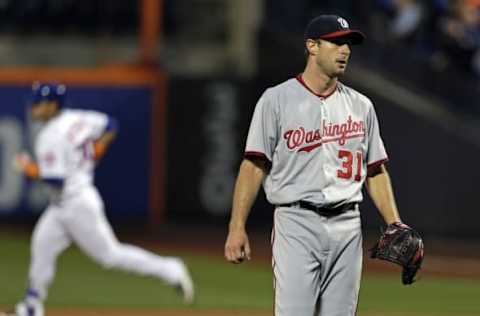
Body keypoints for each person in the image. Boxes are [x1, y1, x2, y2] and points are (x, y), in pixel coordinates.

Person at [224, 15, 409, 316]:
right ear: (312, 46)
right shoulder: (276, 100)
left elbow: (375, 170)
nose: (345, 50)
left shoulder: (361, 106)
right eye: (336, 42)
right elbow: (253, 165)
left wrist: (394, 222)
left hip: (348, 226)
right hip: (296, 224)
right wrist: (236, 227)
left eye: (348, 43)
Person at [3, 82, 194, 316]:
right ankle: (32, 305)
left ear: (53, 105)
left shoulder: (50, 136)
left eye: (39, 103)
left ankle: (170, 269)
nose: (33, 107)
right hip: (63, 204)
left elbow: (55, 181)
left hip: (77, 203)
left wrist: (27, 168)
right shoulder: (79, 118)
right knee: (42, 243)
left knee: (111, 256)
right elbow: (110, 125)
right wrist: (99, 147)